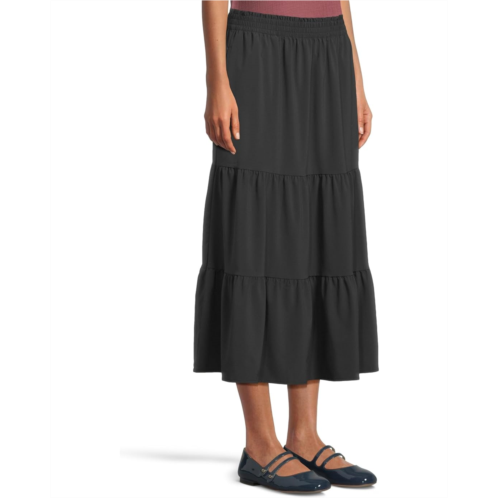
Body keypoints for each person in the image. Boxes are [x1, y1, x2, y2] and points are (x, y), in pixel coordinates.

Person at [194, 0, 379, 492]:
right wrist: (217, 80)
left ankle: (304, 436)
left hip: (328, 51)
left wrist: (356, 78)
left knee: (316, 233)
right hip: (256, 47)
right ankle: (259, 444)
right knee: (250, 229)